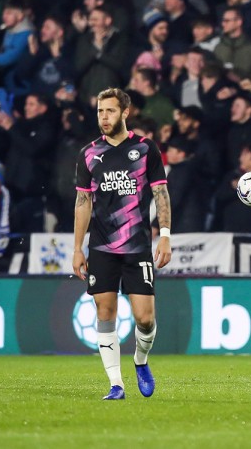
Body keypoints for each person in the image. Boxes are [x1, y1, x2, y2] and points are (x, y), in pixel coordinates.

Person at [72, 87, 172, 400]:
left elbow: (161, 194)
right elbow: (83, 201)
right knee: (105, 311)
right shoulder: (88, 153)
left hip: (137, 245)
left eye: (110, 111)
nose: (104, 117)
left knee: (145, 318)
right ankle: (116, 384)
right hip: (101, 246)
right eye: (100, 111)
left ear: (125, 113)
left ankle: (140, 360)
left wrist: (165, 235)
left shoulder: (144, 148)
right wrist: (77, 248)